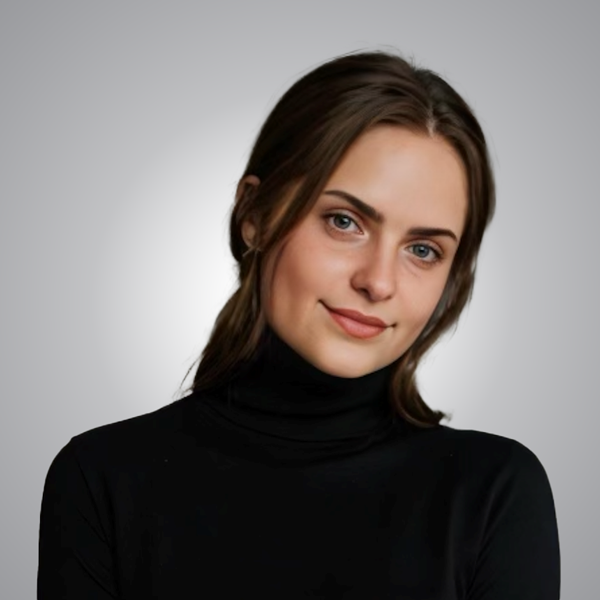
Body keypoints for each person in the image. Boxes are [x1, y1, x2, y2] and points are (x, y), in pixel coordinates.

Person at [37, 50, 561, 599]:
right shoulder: (101, 481)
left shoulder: (495, 493)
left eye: (423, 250)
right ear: (255, 215)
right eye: (344, 221)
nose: (378, 282)